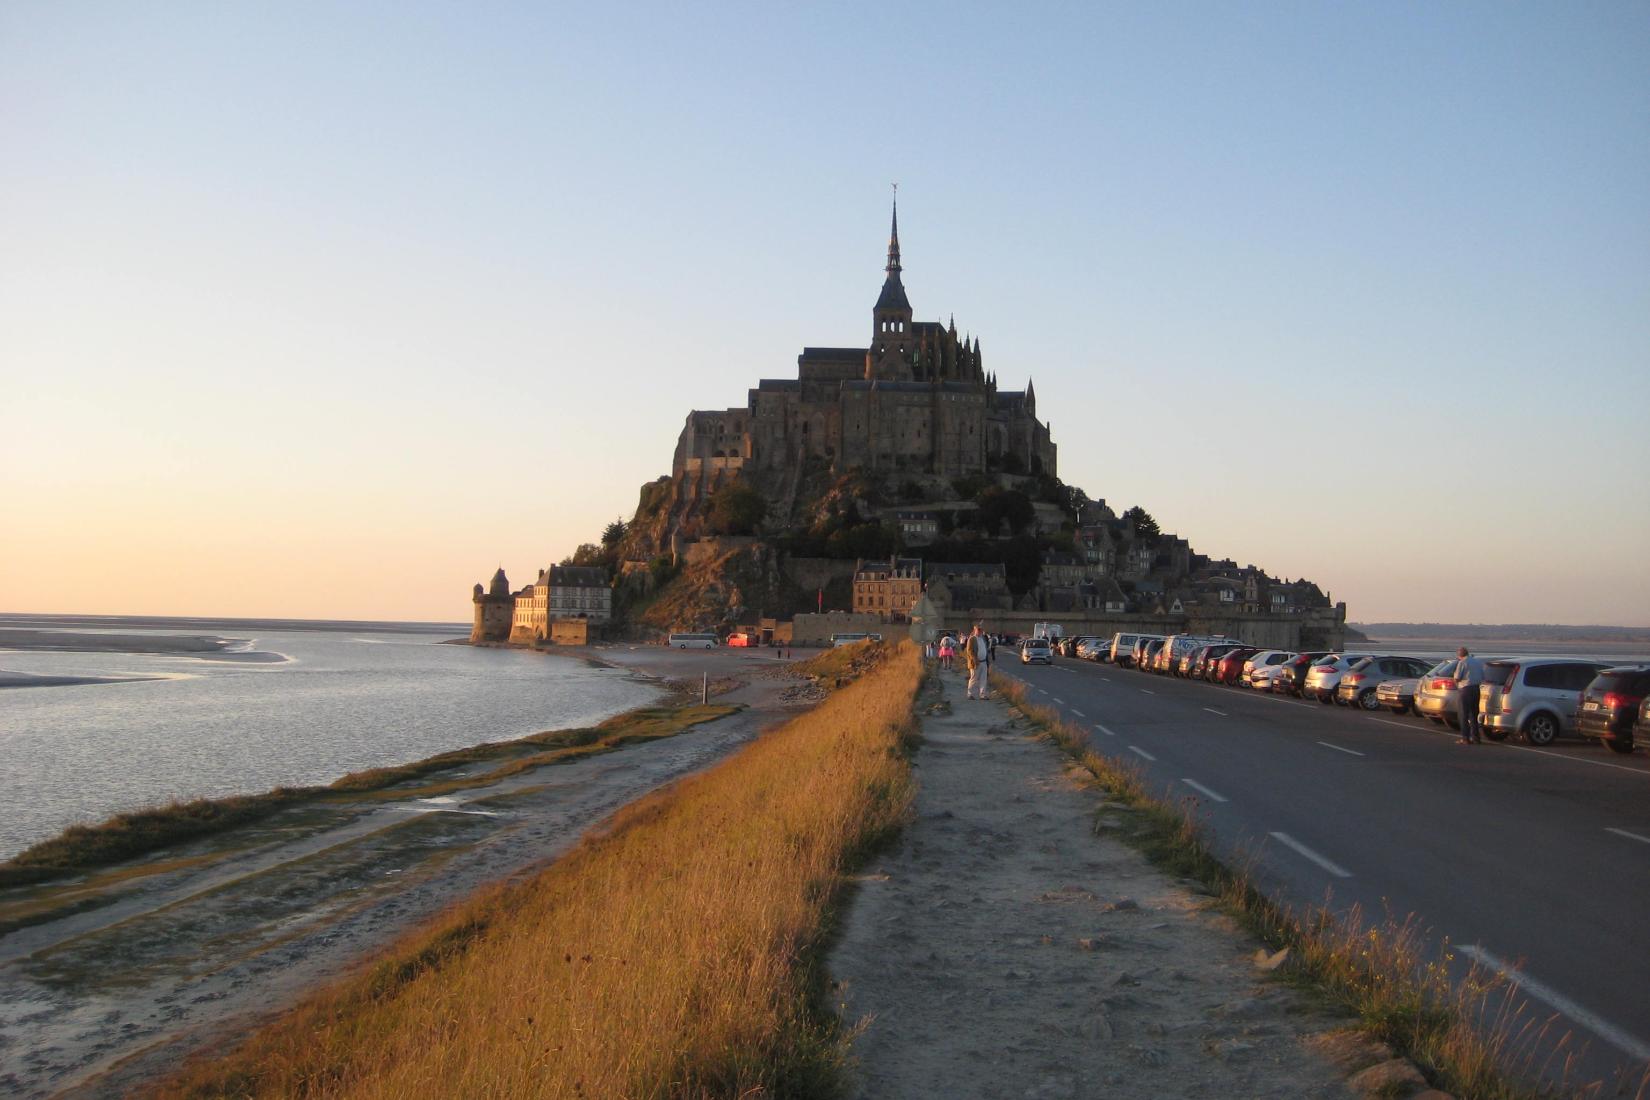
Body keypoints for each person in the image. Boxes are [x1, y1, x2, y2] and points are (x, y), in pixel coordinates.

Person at [1453, 646, 1484, 744]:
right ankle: (1476, 738)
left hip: (1465, 689)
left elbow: (1457, 677)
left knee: (1463, 715)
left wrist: (1455, 684)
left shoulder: (1462, 663)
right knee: (1474, 715)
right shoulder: (1477, 662)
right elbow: (1483, 676)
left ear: (1459, 655)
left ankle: (1465, 738)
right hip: (1476, 689)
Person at [964, 624, 990, 700]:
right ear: (975, 630)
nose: (980, 631)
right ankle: (970, 694)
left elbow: (985, 649)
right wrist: (975, 660)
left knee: (983, 679)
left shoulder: (983, 639)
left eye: (981, 630)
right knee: (974, 678)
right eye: (978, 630)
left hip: (984, 662)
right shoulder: (972, 639)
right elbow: (969, 651)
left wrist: (987, 661)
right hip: (976, 663)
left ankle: (982, 694)